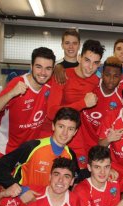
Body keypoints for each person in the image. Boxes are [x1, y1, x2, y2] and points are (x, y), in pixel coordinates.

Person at [0, 107, 81, 206]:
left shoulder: (70, 156)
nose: (64, 133)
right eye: (61, 126)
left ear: (75, 132)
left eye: (70, 129)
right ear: (53, 126)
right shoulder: (32, 147)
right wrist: (21, 190)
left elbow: (77, 179)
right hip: (18, 202)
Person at [0, 47, 56, 164]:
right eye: (38, 67)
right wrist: (11, 93)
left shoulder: (51, 85)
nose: (43, 73)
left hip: (28, 150)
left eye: (48, 68)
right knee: (7, 182)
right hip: (6, 148)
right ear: (31, 66)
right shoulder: (17, 84)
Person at [46, 39, 104, 168]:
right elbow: (51, 113)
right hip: (59, 138)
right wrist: (82, 103)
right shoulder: (62, 76)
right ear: (79, 58)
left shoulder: (96, 81)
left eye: (95, 63)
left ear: (99, 64)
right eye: (87, 60)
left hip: (81, 140)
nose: (90, 67)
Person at [82, 56, 123, 146]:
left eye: (115, 76)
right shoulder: (90, 87)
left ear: (121, 77)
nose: (111, 80)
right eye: (107, 75)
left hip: (104, 145)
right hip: (82, 141)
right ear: (101, 74)